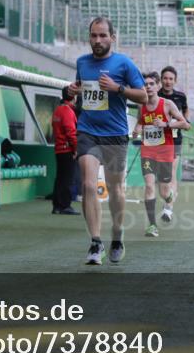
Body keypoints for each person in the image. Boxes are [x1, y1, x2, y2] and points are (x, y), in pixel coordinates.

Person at [67, 17, 146, 265]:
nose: (98, 40)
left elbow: (143, 96)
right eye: (94, 35)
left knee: (116, 189)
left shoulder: (124, 63)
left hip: (115, 134)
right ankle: (95, 242)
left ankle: (117, 235)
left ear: (112, 38)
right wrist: (71, 91)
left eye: (103, 35)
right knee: (89, 185)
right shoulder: (82, 62)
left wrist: (118, 88)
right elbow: (80, 92)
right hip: (87, 131)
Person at [132, 72, 190, 237]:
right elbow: (140, 122)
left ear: (158, 86)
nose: (148, 87)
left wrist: (166, 124)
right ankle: (152, 225)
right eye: (145, 84)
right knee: (150, 185)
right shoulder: (141, 105)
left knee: (164, 191)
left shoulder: (167, 104)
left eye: (152, 84)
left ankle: (170, 197)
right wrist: (137, 131)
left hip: (165, 151)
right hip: (148, 151)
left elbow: (185, 125)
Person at [157, 66, 188, 218]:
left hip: (175, 138)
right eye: (165, 78)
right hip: (158, 139)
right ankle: (168, 196)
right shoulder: (155, 95)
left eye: (171, 79)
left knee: (171, 172)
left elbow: (185, 111)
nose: (168, 81)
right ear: (161, 80)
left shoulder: (180, 96)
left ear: (175, 81)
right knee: (160, 177)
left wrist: (185, 121)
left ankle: (168, 208)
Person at [51, 86, 78, 215]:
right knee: (67, 179)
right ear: (73, 96)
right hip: (67, 149)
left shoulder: (58, 110)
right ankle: (65, 205)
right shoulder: (68, 111)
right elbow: (71, 133)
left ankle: (57, 206)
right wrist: (76, 149)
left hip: (59, 149)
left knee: (60, 178)